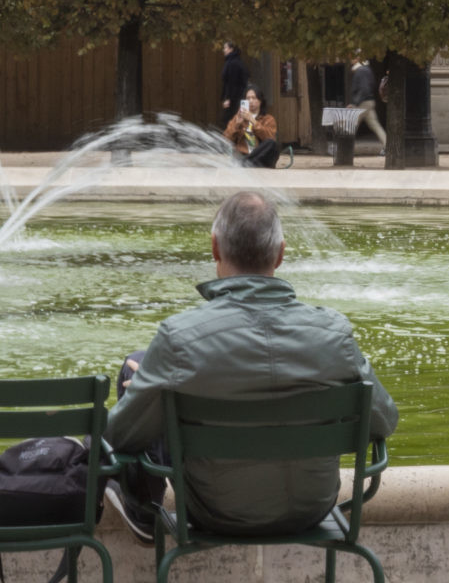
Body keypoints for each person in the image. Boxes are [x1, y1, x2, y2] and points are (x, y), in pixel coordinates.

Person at [106, 189, 398, 541]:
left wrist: (152, 387)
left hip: (216, 514)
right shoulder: (333, 333)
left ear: (214, 248)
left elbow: (118, 436)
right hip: (313, 508)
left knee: (135, 367)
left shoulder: (178, 337)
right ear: (280, 254)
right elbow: (384, 420)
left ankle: (142, 513)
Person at [224, 85, 280, 169]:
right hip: (244, 155)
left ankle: (245, 163)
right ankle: (246, 162)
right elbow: (226, 139)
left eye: (254, 98)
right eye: (248, 98)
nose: (251, 101)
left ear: (260, 101)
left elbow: (270, 138)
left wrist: (253, 121)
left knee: (272, 143)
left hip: (263, 158)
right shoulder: (238, 118)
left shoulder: (268, 119)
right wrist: (237, 124)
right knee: (242, 157)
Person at [348, 57, 387, 150]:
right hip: (369, 101)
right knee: (375, 125)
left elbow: (363, 89)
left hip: (363, 103)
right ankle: (387, 145)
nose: (350, 59)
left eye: (352, 57)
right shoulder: (367, 69)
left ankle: (345, 147)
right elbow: (371, 85)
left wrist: (355, 103)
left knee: (351, 125)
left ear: (357, 58)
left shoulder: (360, 71)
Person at [219, 42, 248, 129]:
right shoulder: (235, 61)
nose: (224, 50)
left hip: (235, 98)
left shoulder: (232, 63)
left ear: (231, 49)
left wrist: (228, 98)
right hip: (239, 96)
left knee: (229, 121)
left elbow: (232, 82)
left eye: (225, 48)